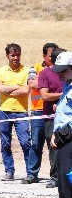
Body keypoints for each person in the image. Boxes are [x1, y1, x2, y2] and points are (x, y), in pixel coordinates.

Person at [0, 43, 32, 182]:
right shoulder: (0, 71)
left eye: (18, 54)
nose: (16, 57)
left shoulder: (27, 71)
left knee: (25, 142)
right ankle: (9, 171)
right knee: (5, 143)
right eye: (13, 55)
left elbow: (26, 90)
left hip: (21, 112)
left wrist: (8, 89)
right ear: (7, 56)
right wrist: (17, 87)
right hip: (4, 111)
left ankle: (30, 172)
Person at [27, 43, 59, 185]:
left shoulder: (59, 70)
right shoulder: (35, 67)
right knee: (35, 144)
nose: (52, 58)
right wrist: (45, 80)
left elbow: (36, 84)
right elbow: (31, 84)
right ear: (44, 56)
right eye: (50, 55)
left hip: (51, 112)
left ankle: (54, 176)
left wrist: (41, 81)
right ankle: (32, 174)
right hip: (37, 112)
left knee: (53, 145)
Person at [50, 51, 72, 198]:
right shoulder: (67, 88)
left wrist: (62, 134)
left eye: (63, 70)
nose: (59, 74)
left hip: (69, 143)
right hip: (65, 142)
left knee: (67, 189)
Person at [40, 48, 67, 188]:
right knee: (54, 147)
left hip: (67, 120)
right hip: (51, 118)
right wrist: (62, 96)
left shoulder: (68, 76)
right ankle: (54, 176)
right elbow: (44, 96)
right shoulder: (45, 74)